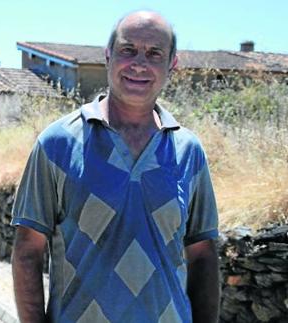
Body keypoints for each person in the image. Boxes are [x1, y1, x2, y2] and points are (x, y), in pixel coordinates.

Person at [11, 11, 220, 323]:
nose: (139, 63)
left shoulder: (188, 151)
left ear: (171, 64)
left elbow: (203, 255)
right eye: (128, 50)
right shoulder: (57, 143)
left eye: (154, 53)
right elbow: (27, 252)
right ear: (108, 55)